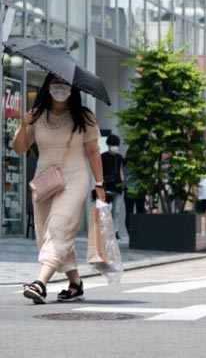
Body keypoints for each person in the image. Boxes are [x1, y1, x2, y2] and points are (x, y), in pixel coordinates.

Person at [13, 73, 105, 304]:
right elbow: (20, 148)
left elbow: (94, 153)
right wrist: (23, 125)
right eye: (55, 83)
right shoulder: (36, 116)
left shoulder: (84, 117)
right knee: (48, 233)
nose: (60, 88)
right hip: (45, 180)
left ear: (73, 89)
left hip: (75, 178)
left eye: (65, 84)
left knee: (58, 225)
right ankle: (75, 283)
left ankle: (40, 283)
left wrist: (100, 184)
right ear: (47, 87)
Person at [101, 134, 124, 239]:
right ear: (108, 145)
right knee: (107, 211)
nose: (115, 147)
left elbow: (121, 171)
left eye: (116, 145)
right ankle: (106, 231)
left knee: (117, 211)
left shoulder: (120, 158)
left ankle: (115, 231)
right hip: (107, 187)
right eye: (113, 144)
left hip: (118, 187)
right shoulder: (103, 157)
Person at [123, 153, 145, 236]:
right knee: (140, 213)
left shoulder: (125, 162)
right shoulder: (141, 163)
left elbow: (125, 175)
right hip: (138, 190)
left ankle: (131, 235)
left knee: (129, 213)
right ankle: (139, 234)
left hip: (129, 189)